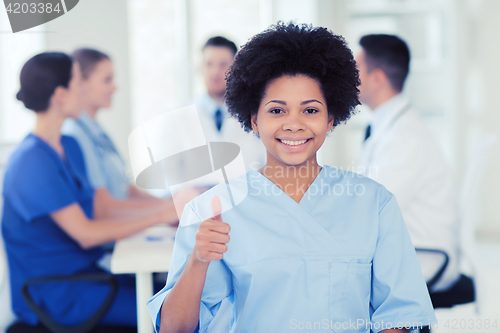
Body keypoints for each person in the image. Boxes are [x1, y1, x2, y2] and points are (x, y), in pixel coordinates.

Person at [147, 23, 436, 333]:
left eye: (310, 110)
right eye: (277, 111)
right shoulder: (210, 211)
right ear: (254, 120)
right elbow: (174, 329)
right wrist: (198, 260)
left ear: (331, 118)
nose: (294, 125)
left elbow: (400, 317)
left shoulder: (374, 205)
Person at [1, 52, 179, 328]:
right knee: (175, 317)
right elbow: (85, 233)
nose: (82, 89)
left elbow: (98, 208)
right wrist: (161, 214)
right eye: (76, 82)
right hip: (60, 293)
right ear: (61, 94)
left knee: (182, 296)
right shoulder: (30, 161)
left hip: (92, 275)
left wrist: (168, 208)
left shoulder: (69, 145)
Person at [355, 34, 460, 292]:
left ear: (377, 78)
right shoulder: (389, 125)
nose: (347, 78)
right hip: (402, 248)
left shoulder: (404, 136)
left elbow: (371, 208)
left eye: (355, 70)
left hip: (422, 256)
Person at [62, 48, 200, 204]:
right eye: (107, 80)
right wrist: (167, 211)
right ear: (82, 82)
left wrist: (173, 206)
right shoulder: (74, 134)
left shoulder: (97, 131)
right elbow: (103, 206)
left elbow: (127, 190)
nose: (115, 87)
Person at [195, 36, 266, 172]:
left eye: (223, 65)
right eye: (209, 64)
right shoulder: (183, 117)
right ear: (201, 68)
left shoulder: (255, 114)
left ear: (235, 69)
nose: (215, 72)